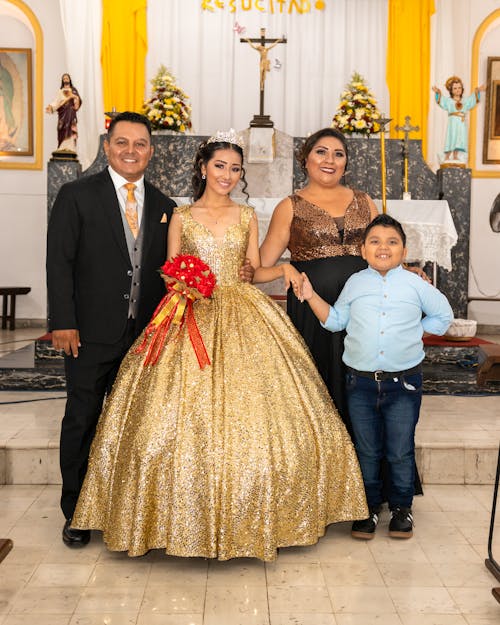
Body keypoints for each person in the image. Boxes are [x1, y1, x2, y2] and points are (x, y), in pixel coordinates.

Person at [70, 129, 368, 561]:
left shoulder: (248, 215)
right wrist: (185, 283)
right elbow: (169, 270)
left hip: (243, 312)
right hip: (189, 311)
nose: (227, 175)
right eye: (220, 166)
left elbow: (255, 270)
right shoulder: (182, 216)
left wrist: (284, 271)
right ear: (203, 168)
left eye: (235, 169)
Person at [46, 111, 177, 547]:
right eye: (122, 143)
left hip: (143, 337)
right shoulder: (76, 195)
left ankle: (125, 509)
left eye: (140, 144)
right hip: (88, 333)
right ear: (107, 147)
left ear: (151, 152)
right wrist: (63, 322)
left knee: (134, 426)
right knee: (82, 419)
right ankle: (77, 512)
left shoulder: (164, 206)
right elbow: (59, 262)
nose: (131, 151)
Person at [295, 214, 453, 540]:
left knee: (399, 449)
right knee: (366, 449)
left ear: (404, 249)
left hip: (403, 384)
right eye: (375, 241)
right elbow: (336, 321)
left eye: (392, 242)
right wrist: (310, 294)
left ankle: (401, 508)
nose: (384, 247)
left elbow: (443, 315)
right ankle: (367, 509)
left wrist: (416, 332)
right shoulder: (356, 283)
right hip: (361, 383)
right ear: (363, 250)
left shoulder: (414, 284)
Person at [260, 128, 379, 431]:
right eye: (321, 152)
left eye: (338, 154)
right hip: (313, 309)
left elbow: (383, 252)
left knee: (363, 390)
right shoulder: (290, 206)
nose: (330, 160)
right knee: (319, 390)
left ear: (346, 163)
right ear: (306, 159)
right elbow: (260, 266)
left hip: (362, 311)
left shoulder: (366, 202)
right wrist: (285, 270)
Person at [432, 76, 486, 162]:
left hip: (461, 122)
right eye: (455, 88)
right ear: (451, 90)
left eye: (459, 88)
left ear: (462, 89)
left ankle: (455, 155)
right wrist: (438, 92)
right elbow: (441, 100)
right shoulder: (449, 101)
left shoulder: (465, 101)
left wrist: (478, 90)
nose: (458, 90)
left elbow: (472, 99)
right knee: (452, 137)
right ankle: (447, 156)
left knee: (459, 138)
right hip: (453, 122)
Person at [45, 73, 82, 151]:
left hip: (70, 114)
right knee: (61, 130)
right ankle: (62, 147)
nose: (65, 79)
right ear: (62, 80)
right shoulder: (60, 91)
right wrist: (51, 107)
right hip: (62, 115)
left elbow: (77, 103)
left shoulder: (73, 90)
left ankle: (70, 148)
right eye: (64, 78)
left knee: (70, 131)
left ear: (69, 80)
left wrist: (73, 96)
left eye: (67, 78)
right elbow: (56, 102)